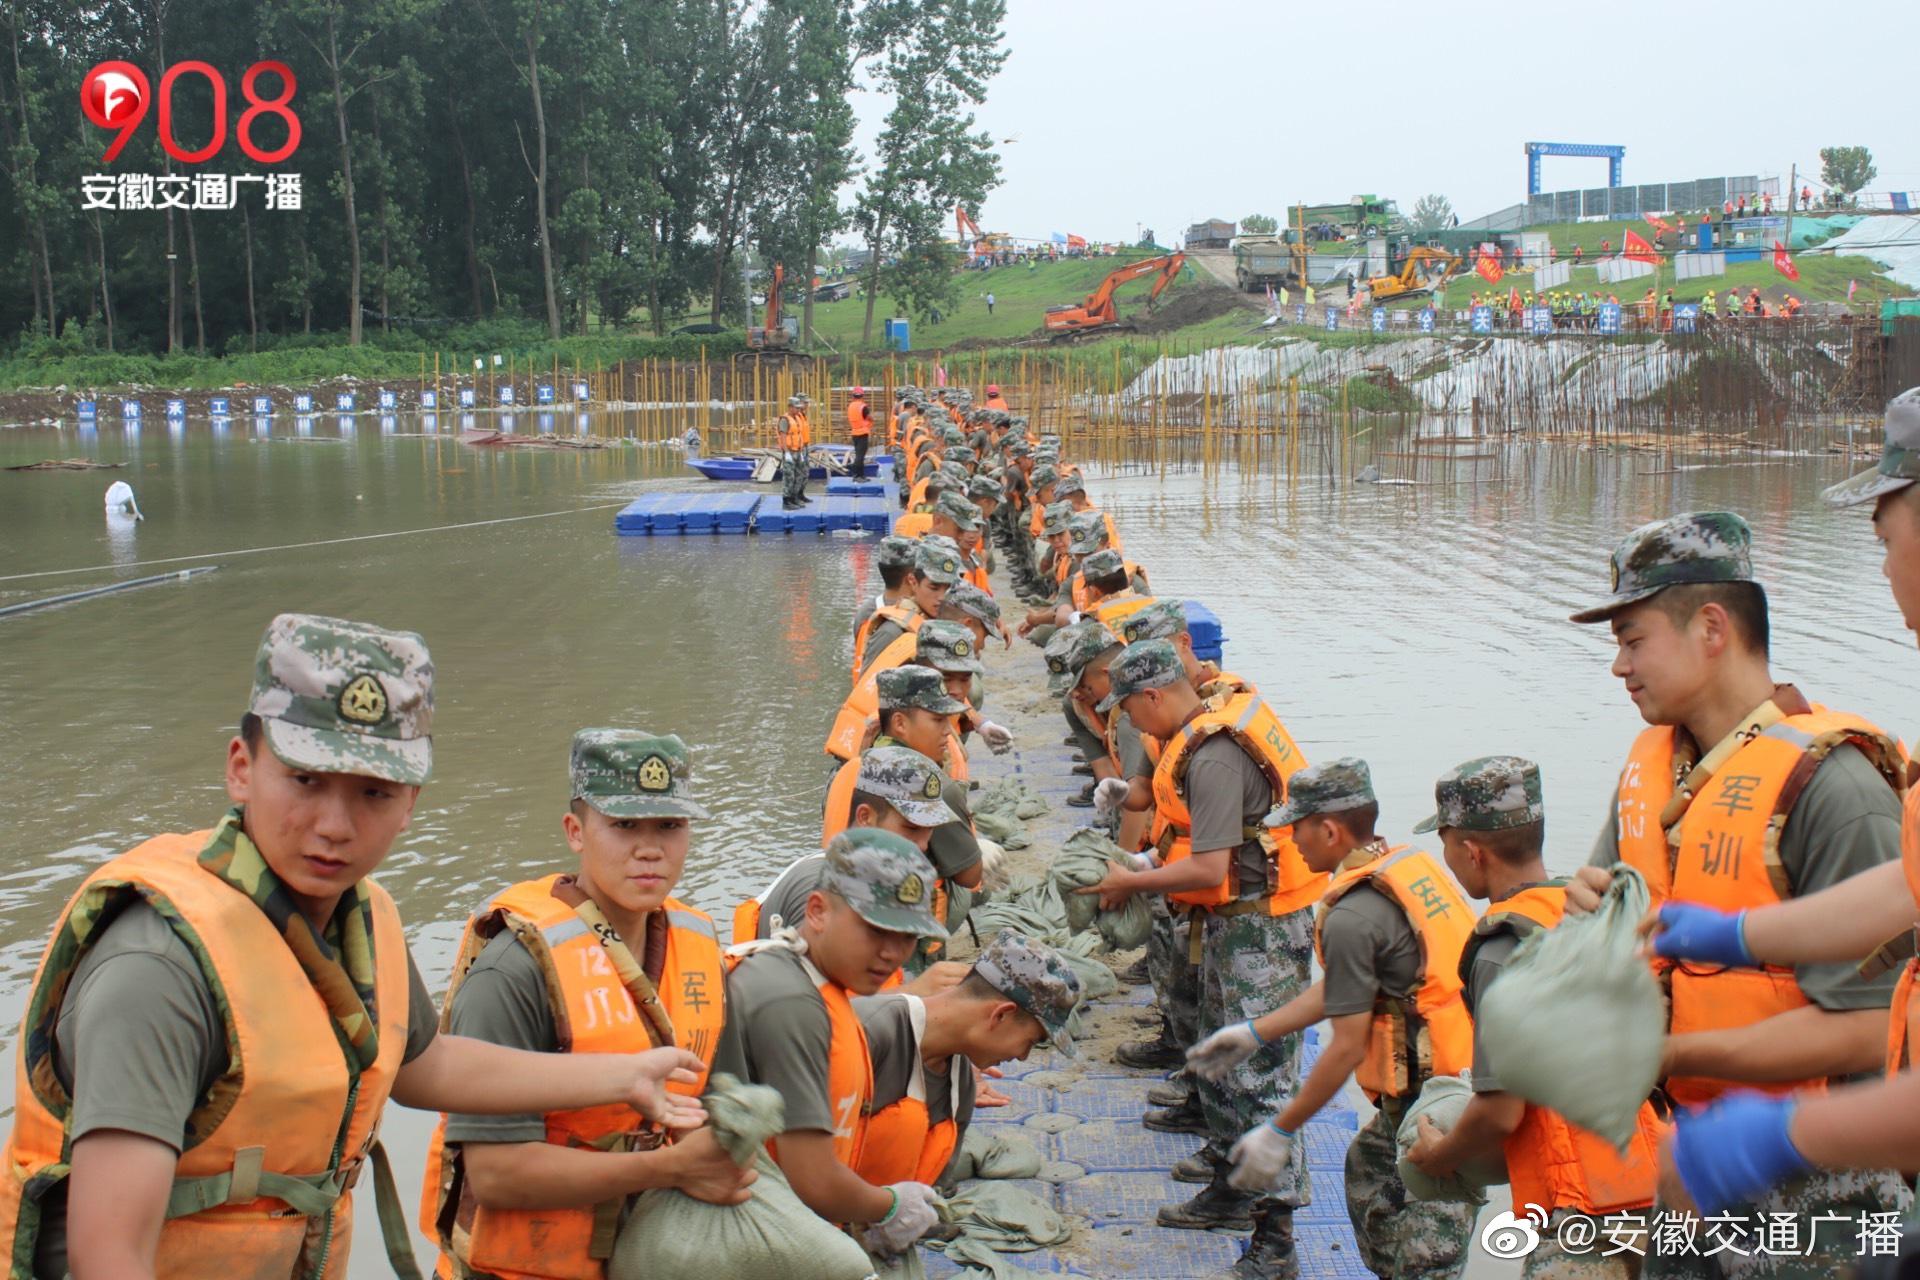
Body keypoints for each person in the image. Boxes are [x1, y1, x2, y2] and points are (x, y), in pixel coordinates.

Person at [0, 615, 705, 1280]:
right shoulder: (159, 969)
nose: (335, 826)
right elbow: (108, 1255)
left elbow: (424, 1065)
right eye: (306, 780)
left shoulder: (364, 918)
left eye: (373, 792)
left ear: (410, 803)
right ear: (241, 767)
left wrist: (622, 1077)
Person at [1589, 393, 1920, 1219]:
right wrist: (1596, 915)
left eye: (1633, 640)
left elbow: (1877, 1025)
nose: (1620, 668)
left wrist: (1676, 1059)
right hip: (1688, 1157)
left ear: (1712, 629)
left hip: (1820, 1196)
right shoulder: (1658, 772)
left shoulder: (1833, 786)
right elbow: (1902, 892)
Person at [420, 730, 754, 1278]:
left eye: (670, 826)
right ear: (575, 831)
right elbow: (496, 1173)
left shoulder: (698, 948)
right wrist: (671, 1168)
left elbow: (720, 1097)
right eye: (624, 825)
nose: (650, 849)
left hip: (644, 1257)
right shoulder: (514, 971)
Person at [1187, 758, 1474, 1280]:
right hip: (1433, 1085)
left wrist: (1280, 1129)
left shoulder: (1355, 912)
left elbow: (1345, 1047)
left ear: (1329, 830)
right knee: (1366, 1176)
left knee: (1427, 1254)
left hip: (1440, 1108)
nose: (1290, 840)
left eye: (1296, 827)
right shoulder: (1404, 866)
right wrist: (1254, 1032)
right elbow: (1348, 986)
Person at [1081, 641, 1318, 1267]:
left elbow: (1211, 867)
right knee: (1220, 1053)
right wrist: (1145, 860)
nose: (1129, 723)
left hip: (1262, 933)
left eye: (1129, 709)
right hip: (1230, 921)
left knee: (1259, 1077)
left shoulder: (1213, 754)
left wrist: (1131, 879)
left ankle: (1276, 1241)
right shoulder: (1200, 727)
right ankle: (1230, 1178)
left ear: (1153, 696)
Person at [1401, 756, 1665, 1278]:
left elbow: (1501, 1112)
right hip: (1657, 1184)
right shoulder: (1587, 910)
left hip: (1580, 1211)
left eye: (1446, 844)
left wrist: (1440, 1157)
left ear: (1472, 852)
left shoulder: (1501, 950)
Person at [711, 829, 949, 1260]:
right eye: (876, 930)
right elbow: (814, 1181)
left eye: (907, 937)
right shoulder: (789, 1002)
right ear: (817, 911)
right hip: (742, 1234)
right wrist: (890, 1206)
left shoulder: (800, 974)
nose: (892, 953)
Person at [852, 930, 1081, 1199]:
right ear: (1000, 1015)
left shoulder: (958, 1087)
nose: (1022, 1056)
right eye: (1030, 1041)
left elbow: (932, 1190)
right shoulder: (865, 1033)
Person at [779, 393, 813, 510]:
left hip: (798, 451)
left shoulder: (797, 418)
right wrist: (786, 452)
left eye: (799, 407)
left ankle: (794, 498)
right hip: (790, 451)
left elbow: (799, 435)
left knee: (798, 475)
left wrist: (801, 450)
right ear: (790, 407)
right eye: (796, 407)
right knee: (789, 476)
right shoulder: (785, 420)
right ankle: (786, 500)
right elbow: (783, 437)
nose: (798, 409)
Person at [846, 386, 873, 479]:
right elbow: (869, 417)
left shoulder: (851, 406)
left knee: (858, 454)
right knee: (860, 456)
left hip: (854, 433)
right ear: (862, 396)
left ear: (853, 396)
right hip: (863, 433)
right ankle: (857, 475)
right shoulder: (863, 406)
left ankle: (860, 475)